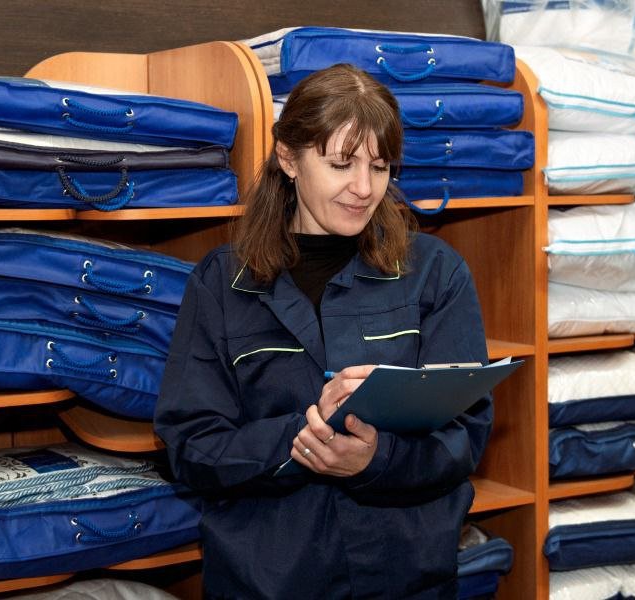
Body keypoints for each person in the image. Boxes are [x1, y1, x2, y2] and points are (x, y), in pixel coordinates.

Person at [154, 63, 493, 599]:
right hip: (267, 582)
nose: (364, 189)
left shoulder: (434, 272)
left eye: (380, 167)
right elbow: (193, 447)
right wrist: (303, 438)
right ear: (289, 159)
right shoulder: (222, 283)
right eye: (341, 164)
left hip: (406, 577)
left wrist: (375, 459)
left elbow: (464, 439)